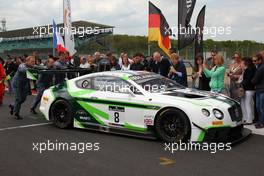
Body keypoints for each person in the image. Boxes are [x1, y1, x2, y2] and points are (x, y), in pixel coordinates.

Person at [240, 57, 256, 124]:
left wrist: (241, 83)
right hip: (249, 89)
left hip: (248, 89)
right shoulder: (251, 69)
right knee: (248, 104)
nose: (242, 64)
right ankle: (248, 118)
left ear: (246, 62)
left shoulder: (249, 70)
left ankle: (248, 119)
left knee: (247, 104)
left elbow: (247, 80)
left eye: (242, 62)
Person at [252, 54, 264, 129]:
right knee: (258, 107)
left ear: (260, 60)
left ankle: (261, 123)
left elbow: (255, 79)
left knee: (261, 107)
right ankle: (260, 121)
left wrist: (252, 81)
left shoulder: (261, 68)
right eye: (253, 60)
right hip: (259, 89)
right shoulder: (259, 67)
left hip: (262, 90)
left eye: (255, 60)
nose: (253, 62)